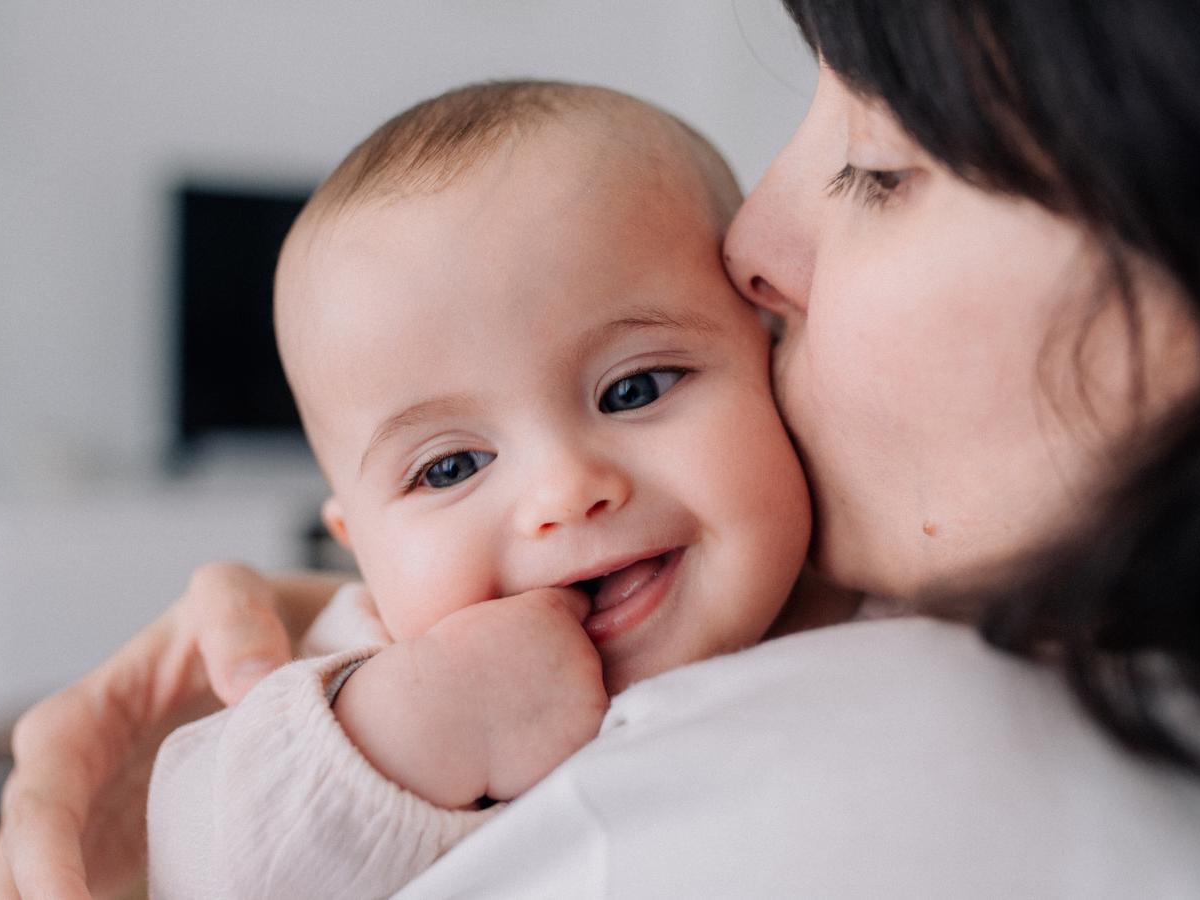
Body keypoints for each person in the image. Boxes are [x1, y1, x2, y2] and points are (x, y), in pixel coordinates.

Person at [0, 1, 1200, 897]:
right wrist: (379, 724)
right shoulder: (376, 660)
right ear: (349, 530)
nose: (755, 251)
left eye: (882, 169)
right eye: (449, 468)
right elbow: (229, 841)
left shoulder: (934, 740)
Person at [146, 80, 854, 898]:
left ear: (772, 355)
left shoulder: (876, 587)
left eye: (636, 389)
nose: (563, 492)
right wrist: (405, 733)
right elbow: (198, 867)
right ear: (359, 548)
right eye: (450, 468)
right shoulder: (372, 663)